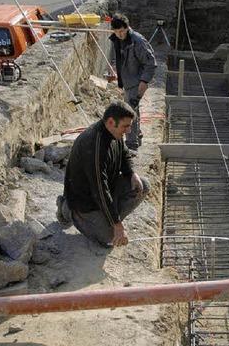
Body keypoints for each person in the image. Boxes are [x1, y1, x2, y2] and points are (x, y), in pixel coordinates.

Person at [56, 101, 150, 247]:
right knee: (109, 237)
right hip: (86, 200)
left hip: (105, 189)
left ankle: (108, 218)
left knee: (142, 185)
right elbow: (100, 191)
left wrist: (131, 173)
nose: (129, 131)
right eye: (126, 126)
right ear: (111, 122)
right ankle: (67, 209)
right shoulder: (94, 146)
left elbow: (124, 153)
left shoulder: (114, 132)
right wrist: (117, 226)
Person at [109, 13, 157, 151]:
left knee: (129, 112)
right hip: (127, 81)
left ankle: (131, 145)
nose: (119, 35)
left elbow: (151, 64)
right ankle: (138, 136)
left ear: (127, 27)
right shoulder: (117, 39)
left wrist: (143, 82)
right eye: (116, 32)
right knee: (132, 110)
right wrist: (115, 70)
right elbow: (119, 58)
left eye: (122, 31)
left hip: (137, 81)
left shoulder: (138, 41)